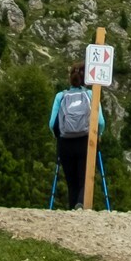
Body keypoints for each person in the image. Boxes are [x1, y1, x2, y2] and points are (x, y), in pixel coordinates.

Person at [48, 65, 105, 207]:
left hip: (65, 143)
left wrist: (58, 137)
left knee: (71, 182)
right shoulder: (90, 95)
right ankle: (80, 204)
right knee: (84, 179)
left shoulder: (61, 96)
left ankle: (72, 209)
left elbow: (51, 123)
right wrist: (99, 135)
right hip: (86, 142)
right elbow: (101, 121)